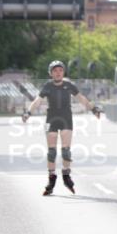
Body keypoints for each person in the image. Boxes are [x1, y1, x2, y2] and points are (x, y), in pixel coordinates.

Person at [22, 60, 102, 195]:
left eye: (60, 70)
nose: (58, 73)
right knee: (51, 152)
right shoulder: (47, 86)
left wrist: (94, 109)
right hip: (51, 119)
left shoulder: (69, 85)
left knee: (66, 151)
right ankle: (51, 180)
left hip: (66, 119)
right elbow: (37, 101)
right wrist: (28, 112)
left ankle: (66, 175)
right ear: (51, 73)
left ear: (63, 72)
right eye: (55, 71)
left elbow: (82, 99)